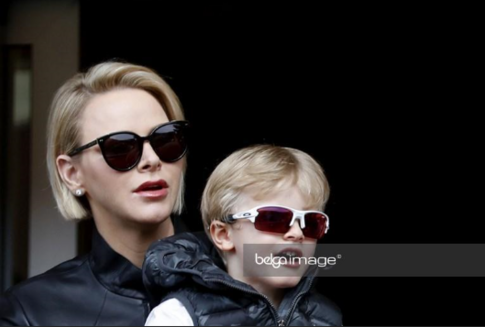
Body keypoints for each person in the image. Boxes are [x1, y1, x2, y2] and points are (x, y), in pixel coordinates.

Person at [0, 61, 194, 325]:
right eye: (120, 147)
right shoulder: (29, 310)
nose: (151, 159)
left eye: (166, 139)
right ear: (71, 173)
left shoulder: (251, 259)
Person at [143, 145, 343, 326]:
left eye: (311, 223)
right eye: (274, 218)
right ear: (223, 235)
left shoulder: (326, 318)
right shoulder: (178, 317)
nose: (297, 233)